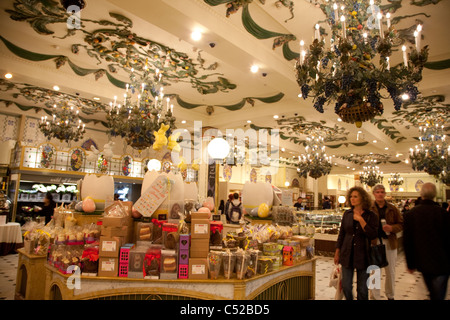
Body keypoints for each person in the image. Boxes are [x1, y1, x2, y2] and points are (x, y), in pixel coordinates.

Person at [403, 182, 450, 300]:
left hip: (423, 261)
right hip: (442, 261)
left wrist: (410, 263)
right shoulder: (443, 214)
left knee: (432, 291)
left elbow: (407, 241)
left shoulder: (410, 215)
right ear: (435, 195)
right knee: (438, 294)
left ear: (421, 194)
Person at [334, 186, 378, 300]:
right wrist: (337, 251)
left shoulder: (371, 215)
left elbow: (373, 235)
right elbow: (342, 234)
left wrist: (361, 220)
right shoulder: (347, 214)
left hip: (363, 254)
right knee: (346, 285)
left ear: (362, 198)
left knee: (362, 289)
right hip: (347, 253)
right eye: (351, 196)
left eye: (355, 196)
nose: (352, 199)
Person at [369, 184, 403, 300]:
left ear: (385, 194)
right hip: (375, 243)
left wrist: (392, 228)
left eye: (382, 192)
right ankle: (375, 296)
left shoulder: (393, 208)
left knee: (390, 271)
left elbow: (401, 224)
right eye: (377, 192)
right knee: (374, 271)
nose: (380, 194)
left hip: (390, 243)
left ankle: (390, 295)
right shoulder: (369, 208)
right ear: (374, 194)